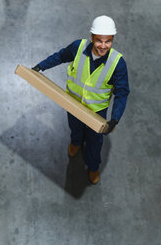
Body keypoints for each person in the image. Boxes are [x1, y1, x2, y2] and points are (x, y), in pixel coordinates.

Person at [32, 16, 130, 184]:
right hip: (73, 103)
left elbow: (122, 93)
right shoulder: (78, 47)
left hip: (96, 111)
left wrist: (114, 119)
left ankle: (93, 167)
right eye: (99, 40)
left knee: (94, 142)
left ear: (113, 40)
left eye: (108, 41)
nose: (103, 46)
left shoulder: (117, 63)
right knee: (75, 128)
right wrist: (41, 66)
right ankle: (76, 143)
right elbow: (60, 56)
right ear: (91, 37)